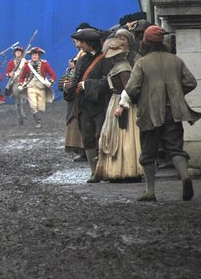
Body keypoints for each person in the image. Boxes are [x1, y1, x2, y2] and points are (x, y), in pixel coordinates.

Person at [119, 25, 201, 202]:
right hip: (174, 112)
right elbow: (191, 82)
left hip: (150, 113)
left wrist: (126, 102)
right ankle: (185, 176)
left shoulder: (142, 63)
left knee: (148, 152)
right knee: (175, 148)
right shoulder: (175, 60)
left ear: (145, 43)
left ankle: (150, 192)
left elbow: (132, 88)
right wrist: (175, 93)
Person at [63, 27, 114, 183]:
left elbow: (108, 82)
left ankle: (105, 170)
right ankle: (94, 172)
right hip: (84, 105)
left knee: (102, 137)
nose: (80, 45)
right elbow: (76, 79)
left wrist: (87, 85)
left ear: (90, 43)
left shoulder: (106, 59)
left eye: (82, 42)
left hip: (101, 105)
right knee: (88, 138)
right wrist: (68, 87)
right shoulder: (83, 59)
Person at [94, 37, 142, 182]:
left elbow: (128, 89)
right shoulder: (118, 67)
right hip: (115, 101)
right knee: (115, 136)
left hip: (124, 104)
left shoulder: (124, 68)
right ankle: (117, 170)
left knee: (125, 137)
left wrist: (121, 106)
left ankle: (128, 170)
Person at [18, 47, 56, 129]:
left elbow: (53, 74)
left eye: (35, 55)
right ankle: (38, 122)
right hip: (31, 87)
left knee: (41, 108)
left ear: (39, 56)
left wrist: (50, 82)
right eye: (33, 55)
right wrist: (20, 84)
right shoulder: (27, 65)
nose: (34, 56)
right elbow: (22, 77)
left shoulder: (44, 64)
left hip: (41, 87)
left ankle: (39, 118)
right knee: (33, 106)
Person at [4, 46, 28, 125]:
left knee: (24, 98)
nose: (18, 53)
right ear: (14, 53)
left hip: (24, 82)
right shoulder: (11, 62)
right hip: (15, 82)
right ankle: (20, 116)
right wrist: (9, 74)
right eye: (16, 52)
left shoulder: (25, 62)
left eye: (19, 52)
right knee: (17, 99)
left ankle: (23, 112)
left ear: (21, 53)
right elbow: (6, 73)